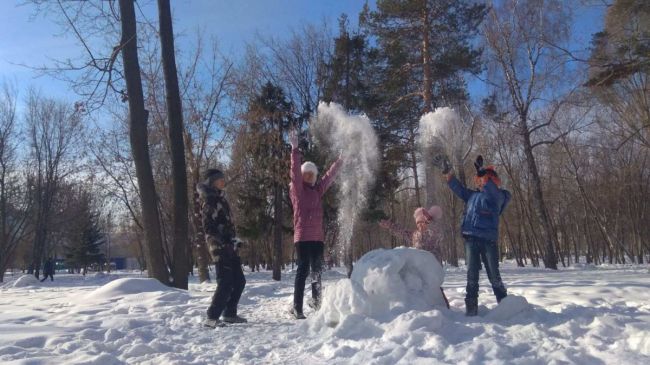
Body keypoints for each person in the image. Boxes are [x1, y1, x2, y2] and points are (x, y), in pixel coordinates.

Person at [440, 155, 511, 316]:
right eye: (479, 180)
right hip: (471, 240)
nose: (479, 181)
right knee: (472, 276)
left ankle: (506, 307)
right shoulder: (472, 196)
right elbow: (458, 189)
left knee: (494, 276)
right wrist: (448, 174)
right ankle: (471, 310)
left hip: (488, 242)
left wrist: (483, 172)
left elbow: (491, 190)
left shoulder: (500, 196)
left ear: (493, 181)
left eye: (484, 180)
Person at [289, 130, 343, 319]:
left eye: (312, 175)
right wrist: (295, 150)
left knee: (317, 272)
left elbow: (329, 177)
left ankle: (317, 302)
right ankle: (297, 307)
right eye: (307, 174)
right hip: (303, 237)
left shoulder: (317, 191)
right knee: (303, 271)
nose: (310, 178)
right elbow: (294, 174)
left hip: (318, 238)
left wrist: (340, 161)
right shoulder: (297, 191)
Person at [197, 169, 247, 327]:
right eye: (220, 179)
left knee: (239, 280)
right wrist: (222, 240)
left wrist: (233, 240)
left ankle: (230, 314)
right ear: (212, 181)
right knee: (225, 282)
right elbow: (208, 227)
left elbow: (226, 224)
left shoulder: (220, 198)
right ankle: (211, 317)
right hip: (218, 247)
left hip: (229, 246)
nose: (223, 181)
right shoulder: (210, 199)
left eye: (223, 179)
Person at [379, 206, 450, 308]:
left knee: (435, 289)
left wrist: (430, 221)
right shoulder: (414, 235)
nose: (421, 225)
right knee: (422, 290)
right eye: (418, 223)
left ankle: (445, 309)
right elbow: (400, 231)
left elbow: (439, 231)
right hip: (420, 269)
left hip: (432, 269)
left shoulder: (433, 233)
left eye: (423, 222)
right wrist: (389, 225)